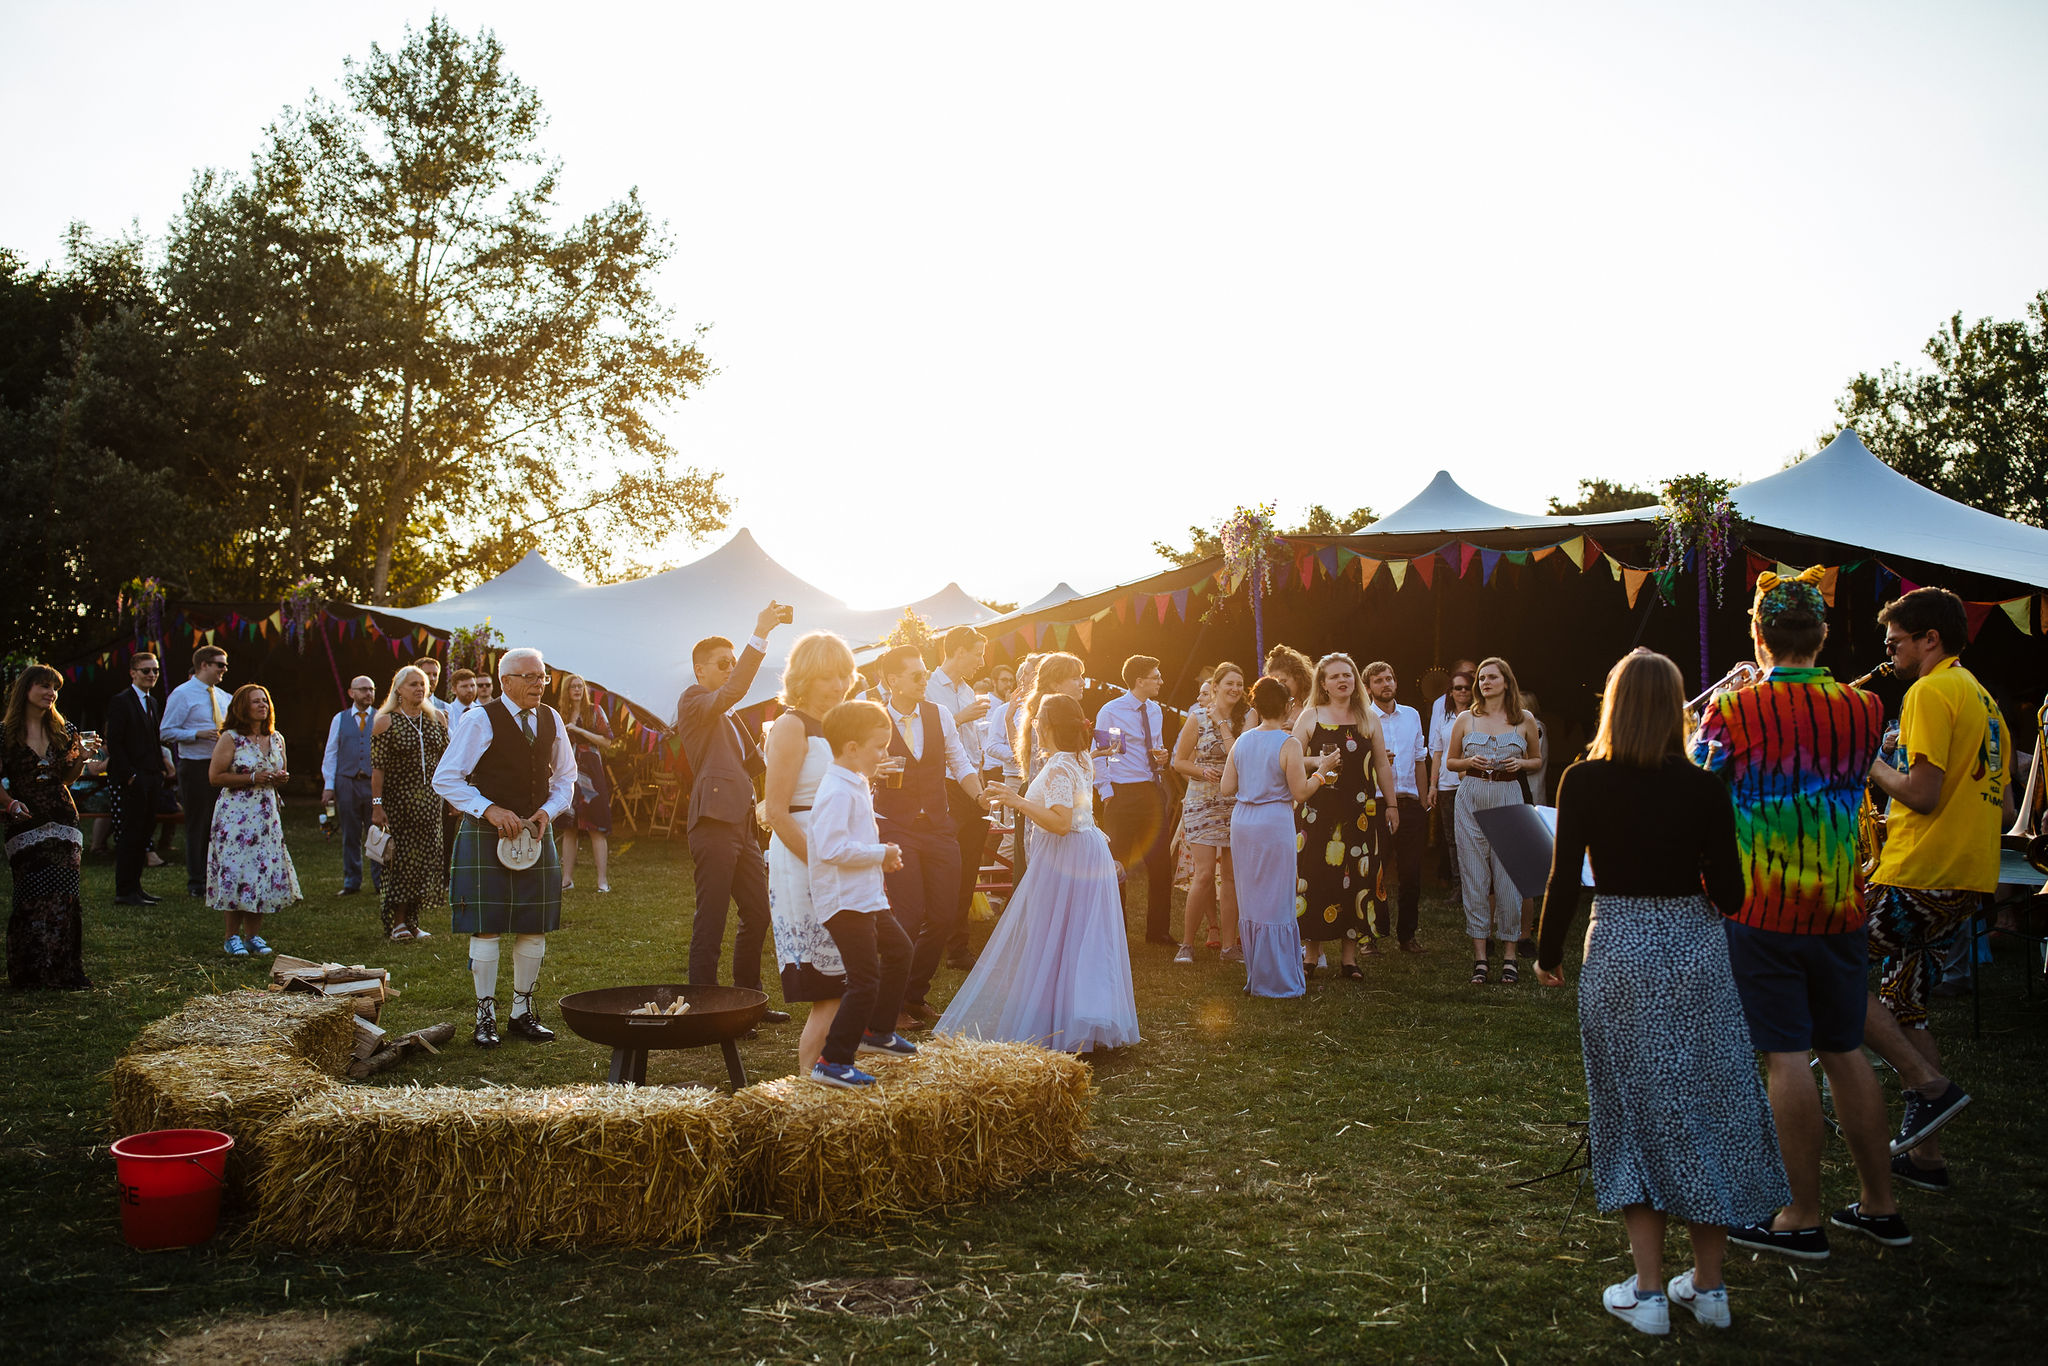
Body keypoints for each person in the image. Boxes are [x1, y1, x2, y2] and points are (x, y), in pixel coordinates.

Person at [1534, 650, 1788, 1336]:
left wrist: (1545, 952)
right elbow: (1731, 894)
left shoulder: (1581, 779)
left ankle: (1647, 1293)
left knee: (1630, 1108)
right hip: (1695, 950)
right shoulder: (1706, 788)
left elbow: (1563, 880)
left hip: (1617, 943)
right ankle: (1708, 1287)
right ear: (1679, 706)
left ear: (1613, 703)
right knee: (1707, 1103)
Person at [1694, 567, 1906, 1261]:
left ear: (1758, 635)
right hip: (1841, 903)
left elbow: (1700, 791)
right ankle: (1881, 1204)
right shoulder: (1865, 710)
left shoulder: (1736, 712)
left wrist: (1712, 712)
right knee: (1845, 1049)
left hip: (1763, 905)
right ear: (1821, 636)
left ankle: (1802, 1214)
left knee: (1787, 1054)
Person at [1861, 587, 2009, 1178]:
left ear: (1931, 639)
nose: (1889, 651)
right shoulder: (1978, 692)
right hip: (1965, 872)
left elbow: (1920, 794)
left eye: (1897, 641)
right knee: (1906, 1007)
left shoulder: (1928, 689)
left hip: (1925, 871)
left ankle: (1929, 1085)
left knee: (1832, 967)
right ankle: (1927, 1155)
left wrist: (1867, 759)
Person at [939, 693, 1140, 1052]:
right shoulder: (1078, 758)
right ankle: (1073, 1019)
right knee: (1074, 936)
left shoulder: (1063, 766)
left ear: (1047, 727)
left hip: (1068, 854)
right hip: (1082, 850)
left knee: (1056, 935)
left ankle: (1060, 1024)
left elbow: (1061, 823)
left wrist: (1018, 801)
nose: (1032, 727)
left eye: (1035, 721)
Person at [433, 649, 576, 1047]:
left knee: (533, 923)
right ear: (506, 682)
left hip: (536, 830)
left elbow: (566, 776)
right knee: (488, 925)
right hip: (485, 833)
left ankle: (521, 1012)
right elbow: (445, 778)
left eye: (543, 677)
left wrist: (548, 811)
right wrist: (489, 809)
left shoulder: (551, 719)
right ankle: (485, 1016)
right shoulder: (480, 717)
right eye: (529, 677)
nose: (538, 684)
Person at [677, 603, 792, 1025]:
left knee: (758, 912)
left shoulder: (726, 714)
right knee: (712, 916)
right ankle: (703, 1005)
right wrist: (760, 632)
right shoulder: (694, 701)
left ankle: (748, 1001)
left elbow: (758, 762)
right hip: (712, 823)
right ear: (700, 671)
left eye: (732, 662)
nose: (729, 669)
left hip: (743, 826)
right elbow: (734, 691)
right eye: (722, 663)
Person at [871, 644, 987, 1029]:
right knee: (908, 914)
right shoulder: (874, 719)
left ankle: (915, 994)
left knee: (943, 915)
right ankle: (892, 1003)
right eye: (917, 675)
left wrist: (979, 794)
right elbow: (852, 768)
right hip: (895, 827)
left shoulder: (939, 715)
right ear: (893, 681)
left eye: (924, 673)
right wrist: (873, 772)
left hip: (939, 825)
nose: (925, 680)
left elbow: (959, 760)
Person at [806, 699, 919, 1088]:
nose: (885, 755)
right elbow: (831, 848)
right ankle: (833, 1061)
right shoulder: (836, 790)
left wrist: (879, 860)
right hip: (844, 901)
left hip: (866, 895)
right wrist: (880, 853)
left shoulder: (855, 780)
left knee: (901, 950)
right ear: (852, 748)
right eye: (880, 747)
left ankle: (877, 1032)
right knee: (865, 979)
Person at [763, 631, 860, 1073]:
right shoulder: (791, 725)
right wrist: (823, 865)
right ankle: (808, 1083)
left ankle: (824, 1075)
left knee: (851, 979)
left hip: (841, 856)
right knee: (830, 985)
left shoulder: (840, 726)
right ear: (803, 677)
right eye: (826, 677)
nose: (838, 685)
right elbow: (777, 812)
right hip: (803, 855)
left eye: (843, 675)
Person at [1226, 676, 1338, 999]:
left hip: (1244, 821)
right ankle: (1278, 980)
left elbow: (1226, 788)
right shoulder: (1289, 743)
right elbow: (1300, 792)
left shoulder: (1242, 741)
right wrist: (1322, 770)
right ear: (1288, 706)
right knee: (1276, 898)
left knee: (1252, 899)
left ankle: (1257, 974)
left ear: (1255, 706)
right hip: (1273, 820)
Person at [1292, 653, 1399, 978]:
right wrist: (1319, 764)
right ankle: (1311, 956)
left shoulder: (1368, 718)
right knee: (1314, 877)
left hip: (1360, 813)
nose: (1343, 681)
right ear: (1323, 684)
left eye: (1348, 675)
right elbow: (1292, 757)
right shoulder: (1311, 716)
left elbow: (1381, 763)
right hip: (1316, 812)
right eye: (1335, 676)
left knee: (1357, 879)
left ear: (1355, 681)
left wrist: (1391, 804)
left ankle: (1349, 959)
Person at [1447, 657, 1541, 984]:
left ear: (1506, 681)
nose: (1485, 682)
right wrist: (1468, 760)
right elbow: (1450, 762)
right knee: (1474, 874)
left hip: (1507, 794)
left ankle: (1511, 955)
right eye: (1482, 678)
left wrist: (1522, 764)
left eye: (1492, 677)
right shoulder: (1465, 719)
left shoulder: (1523, 719)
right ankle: (1480, 958)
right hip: (1471, 793)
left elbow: (1537, 759)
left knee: (1509, 878)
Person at [3, 665, 95, 989]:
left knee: (65, 893)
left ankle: (63, 971)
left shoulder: (63, 729)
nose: (50, 693)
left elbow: (68, 778)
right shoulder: (6, 733)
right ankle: (30, 972)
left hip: (63, 817)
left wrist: (82, 757)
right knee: (31, 893)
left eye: (54, 688)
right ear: (25, 690)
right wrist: (9, 803)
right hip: (24, 817)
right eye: (43, 686)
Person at [206, 684, 302, 957]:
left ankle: (253, 936)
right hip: (236, 815)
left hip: (266, 815)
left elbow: (279, 771)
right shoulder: (231, 738)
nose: (262, 706)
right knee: (237, 872)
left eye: (265, 701)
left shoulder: (276, 738)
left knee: (261, 872)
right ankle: (231, 937)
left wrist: (281, 778)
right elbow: (215, 777)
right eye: (255, 702)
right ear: (242, 707)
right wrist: (251, 778)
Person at [1096, 655, 1176, 948]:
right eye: (1156, 676)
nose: (1161, 681)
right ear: (1139, 681)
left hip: (1151, 792)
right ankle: (1117, 932)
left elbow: (1155, 748)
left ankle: (1158, 932)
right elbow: (1104, 754)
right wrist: (1106, 793)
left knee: (1160, 863)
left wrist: (1163, 757)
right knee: (1117, 864)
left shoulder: (1155, 710)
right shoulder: (1111, 711)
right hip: (1121, 794)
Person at [1172, 661, 1246, 963]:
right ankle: (1187, 944)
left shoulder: (1247, 717)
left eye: (1240, 684)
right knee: (1203, 875)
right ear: (1215, 686)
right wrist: (1202, 771)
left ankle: (1229, 946)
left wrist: (1223, 723)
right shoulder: (1196, 717)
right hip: (1202, 800)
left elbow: (1240, 754)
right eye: (1229, 683)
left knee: (1231, 877)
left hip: (1235, 801)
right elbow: (1178, 762)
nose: (1235, 689)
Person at [370, 665, 450, 943]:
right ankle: (398, 922)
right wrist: (377, 805)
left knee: (426, 860)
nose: (420, 688)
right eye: (413, 684)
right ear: (398, 689)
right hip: (399, 802)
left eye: (423, 684)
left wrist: (453, 796)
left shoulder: (437, 718)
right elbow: (378, 768)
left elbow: (447, 760)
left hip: (430, 802)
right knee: (402, 861)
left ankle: (413, 921)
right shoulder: (386, 721)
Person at [927, 626, 992, 970]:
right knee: (943, 868)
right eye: (978, 654)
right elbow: (920, 734)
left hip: (971, 786)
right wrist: (961, 717)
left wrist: (980, 784)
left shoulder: (967, 690)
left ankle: (958, 948)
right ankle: (931, 942)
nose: (982, 662)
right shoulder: (926, 686)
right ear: (958, 651)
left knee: (968, 869)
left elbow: (971, 745)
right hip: (943, 786)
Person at [1365, 661, 1431, 952]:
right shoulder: (1363, 717)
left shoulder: (1412, 716)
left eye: (1389, 678)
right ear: (1369, 688)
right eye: (1379, 680)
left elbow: (1420, 759)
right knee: (1374, 871)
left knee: (1411, 872)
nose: (1386, 684)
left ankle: (1407, 935)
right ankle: (1372, 935)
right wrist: (1375, 761)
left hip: (1410, 803)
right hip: (1376, 803)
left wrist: (1424, 797)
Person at [159, 646, 231, 899]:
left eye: (225, 665)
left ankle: (220, 876)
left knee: (222, 823)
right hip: (196, 766)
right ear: (203, 665)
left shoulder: (224, 697)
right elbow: (166, 731)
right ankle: (197, 881)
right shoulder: (182, 694)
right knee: (199, 824)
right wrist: (196, 734)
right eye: (219, 665)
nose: (224, 669)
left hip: (224, 767)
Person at [105, 652, 172, 906]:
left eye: (154, 670)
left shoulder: (152, 702)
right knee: (130, 834)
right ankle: (124, 890)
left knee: (145, 834)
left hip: (152, 776)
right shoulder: (121, 701)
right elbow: (115, 743)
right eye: (146, 670)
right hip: (132, 778)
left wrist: (162, 770)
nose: (152, 675)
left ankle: (136, 887)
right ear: (133, 672)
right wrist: (130, 775)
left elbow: (154, 740)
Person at [556, 672, 615, 893]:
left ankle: (602, 880)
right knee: (568, 827)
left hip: (591, 775)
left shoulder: (594, 711)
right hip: (568, 775)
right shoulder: (561, 714)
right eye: (573, 687)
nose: (578, 690)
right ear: (567, 691)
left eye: (580, 686)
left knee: (596, 828)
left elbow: (607, 741)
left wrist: (579, 730)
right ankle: (567, 879)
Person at [321, 675, 380, 897]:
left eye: (371, 689)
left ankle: (379, 881)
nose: (368, 694)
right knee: (350, 833)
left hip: (373, 783)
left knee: (376, 833)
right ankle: (351, 881)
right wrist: (329, 785)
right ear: (351, 692)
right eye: (363, 689)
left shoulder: (382, 717)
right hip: (346, 781)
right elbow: (331, 752)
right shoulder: (340, 719)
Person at [1428, 671, 1474, 894]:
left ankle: (1475, 886)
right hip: (1447, 784)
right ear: (1450, 692)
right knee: (1452, 839)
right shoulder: (1444, 718)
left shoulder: (1478, 716)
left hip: (1473, 782)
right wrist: (1432, 785)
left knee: (1473, 837)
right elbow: (1437, 752)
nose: (1463, 691)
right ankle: (1459, 887)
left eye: (1466, 687)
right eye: (1458, 688)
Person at [1263, 645, 1314, 728]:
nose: (1280, 686)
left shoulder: (1313, 705)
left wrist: (1297, 727)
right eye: (1275, 682)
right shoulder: (1274, 709)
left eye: (1284, 681)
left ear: (1298, 678)